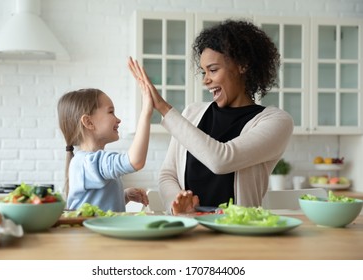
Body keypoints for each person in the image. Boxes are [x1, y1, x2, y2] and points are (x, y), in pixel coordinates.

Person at [128, 19, 294, 215]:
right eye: (204, 71)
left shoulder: (276, 121)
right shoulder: (192, 113)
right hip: (189, 229)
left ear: (242, 65)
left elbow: (221, 159)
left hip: (240, 234)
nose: (206, 80)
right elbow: (168, 174)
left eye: (213, 70)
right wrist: (179, 205)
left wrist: (164, 108)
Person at [57, 73, 153, 211]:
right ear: (89, 122)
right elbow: (135, 161)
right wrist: (146, 113)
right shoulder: (88, 162)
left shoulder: (92, 162)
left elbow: (99, 203)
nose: (118, 119)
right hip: (88, 233)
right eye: (111, 112)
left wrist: (124, 196)